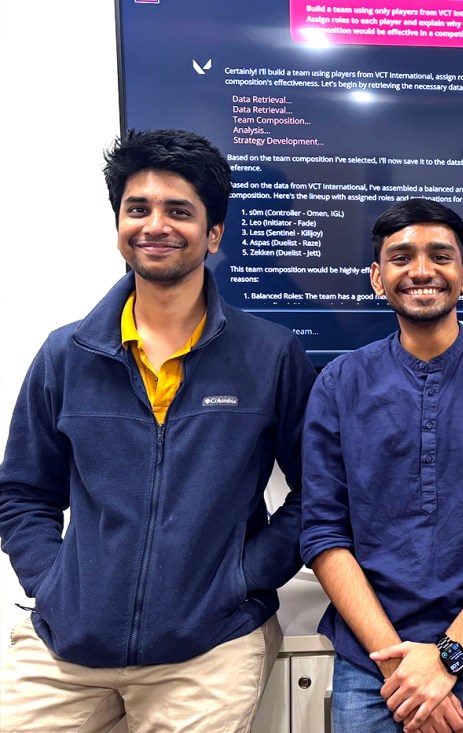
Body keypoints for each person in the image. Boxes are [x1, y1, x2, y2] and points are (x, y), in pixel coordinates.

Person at [0, 128, 316, 731]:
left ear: (213, 233)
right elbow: (22, 493)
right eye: (137, 208)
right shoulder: (66, 353)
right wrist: (54, 583)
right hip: (66, 644)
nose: (155, 225)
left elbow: (319, 491)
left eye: (179, 211)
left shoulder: (270, 355)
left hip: (208, 646)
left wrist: (244, 579)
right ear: (118, 222)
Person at [299, 198, 463, 732]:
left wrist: (447, 656)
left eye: (440, 256)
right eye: (401, 257)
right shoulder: (338, 383)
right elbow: (323, 533)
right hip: (370, 656)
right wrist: (401, 664)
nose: (421, 270)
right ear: (377, 277)